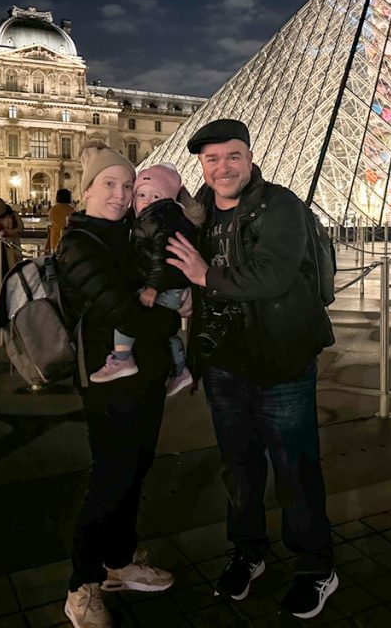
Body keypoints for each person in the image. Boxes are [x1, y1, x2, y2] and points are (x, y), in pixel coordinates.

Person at [166, 119, 338, 620]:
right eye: (212, 159)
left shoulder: (280, 206)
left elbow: (272, 276)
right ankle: (248, 552)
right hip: (224, 368)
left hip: (280, 362)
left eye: (232, 156)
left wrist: (204, 275)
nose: (222, 167)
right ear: (201, 163)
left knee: (295, 469)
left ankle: (315, 567)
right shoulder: (195, 216)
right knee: (239, 470)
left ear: (249, 157)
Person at [53, 141, 177, 627]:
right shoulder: (79, 243)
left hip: (145, 373)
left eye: (128, 186)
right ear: (86, 189)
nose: (122, 194)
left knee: (135, 469)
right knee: (110, 479)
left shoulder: (128, 234)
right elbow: (124, 311)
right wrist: (172, 314)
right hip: (106, 382)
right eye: (110, 184)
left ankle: (118, 563)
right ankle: (80, 585)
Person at [91, 163, 202, 397]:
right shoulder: (157, 219)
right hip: (169, 287)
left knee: (132, 320)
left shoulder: (158, 220)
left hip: (161, 286)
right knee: (166, 334)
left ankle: (122, 358)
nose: (146, 200)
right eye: (141, 194)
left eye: (155, 196)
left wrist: (152, 287)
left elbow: (160, 257)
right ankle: (180, 370)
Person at [46, 188, 76, 254]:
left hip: (56, 238)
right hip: (68, 238)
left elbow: (52, 221)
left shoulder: (54, 209)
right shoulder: (72, 210)